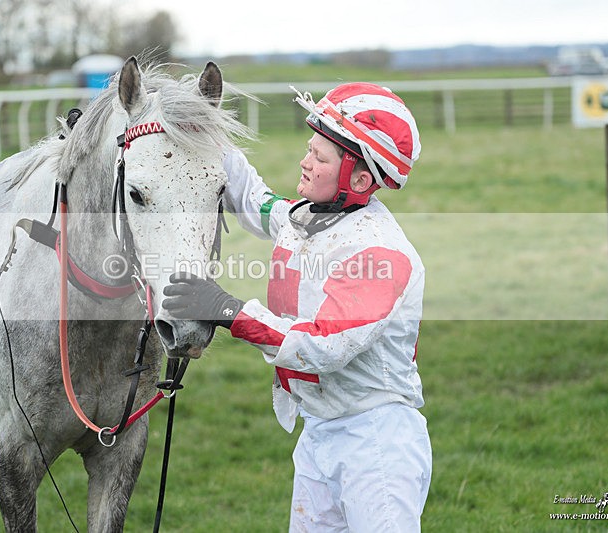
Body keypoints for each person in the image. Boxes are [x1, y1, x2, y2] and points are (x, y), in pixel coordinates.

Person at [162, 83, 431, 532]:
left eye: (320, 158)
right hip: (319, 433)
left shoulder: (381, 253)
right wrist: (204, 127)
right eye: (310, 149)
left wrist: (228, 310)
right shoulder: (306, 217)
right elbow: (253, 200)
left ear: (359, 180)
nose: (305, 162)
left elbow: (321, 346)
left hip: (377, 445)